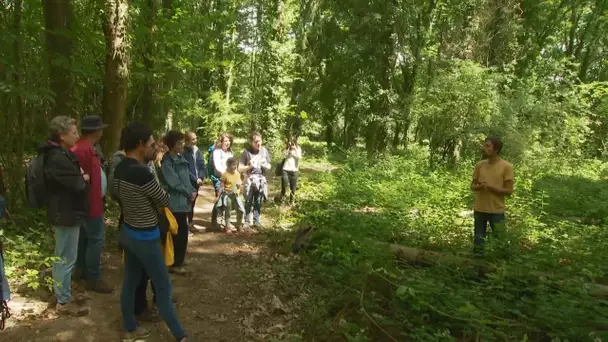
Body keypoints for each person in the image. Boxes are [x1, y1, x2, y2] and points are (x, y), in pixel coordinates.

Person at [113, 123, 189, 342]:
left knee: (130, 282)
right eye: (151, 144)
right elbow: (165, 200)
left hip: (128, 232)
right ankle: (181, 336)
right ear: (139, 145)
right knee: (163, 286)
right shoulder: (143, 173)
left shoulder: (119, 167)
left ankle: (129, 329)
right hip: (145, 236)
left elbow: (115, 195)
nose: (155, 148)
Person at [43, 116, 90, 316]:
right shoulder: (57, 157)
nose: (77, 135)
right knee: (65, 257)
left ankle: (64, 293)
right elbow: (78, 184)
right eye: (73, 132)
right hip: (65, 213)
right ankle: (63, 301)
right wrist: (83, 177)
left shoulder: (60, 154)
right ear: (61, 136)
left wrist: (80, 176)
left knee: (65, 255)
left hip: (67, 211)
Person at [70, 115, 113, 294]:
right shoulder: (81, 149)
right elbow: (76, 179)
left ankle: (81, 272)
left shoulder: (88, 147)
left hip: (93, 202)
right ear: (96, 131)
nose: (102, 131)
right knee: (95, 239)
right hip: (89, 204)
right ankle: (93, 278)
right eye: (100, 128)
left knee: (85, 239)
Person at [470, 136, 514, 255]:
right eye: (484, 145)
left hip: (496, 211)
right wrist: (479, 187)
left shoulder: (506, 167)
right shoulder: (480, 165)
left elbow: (509, 191)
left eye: (488, 146)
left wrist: (491, 188)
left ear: (496, 149)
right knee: (478, 242)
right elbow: (472, 186)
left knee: (500, 242)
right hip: (479, 209)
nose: (484, 148)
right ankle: (477, 267)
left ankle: (501, 267)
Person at [161, 131, 196, 275]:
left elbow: (187, 177)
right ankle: (174, 263)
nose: (183, 145)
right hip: (174, 203)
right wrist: (189, 192)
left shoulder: (181, 157)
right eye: (179, 143)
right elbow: (173, 182)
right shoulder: (167, 161)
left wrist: (193, 190)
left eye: (183, 142)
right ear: (172, 145)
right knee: (177, 233)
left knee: (183, 232)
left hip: (184, 202)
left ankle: (179, 259)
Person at [238, 132, 271, 228]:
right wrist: (249, 166)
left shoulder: (264, 151)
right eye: (256, 141)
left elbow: (269, 165)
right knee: (248, 200)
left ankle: (256, 221)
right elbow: (239, 168)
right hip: (250, 179)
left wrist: (264, 165)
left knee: (258, 201)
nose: (258, 143)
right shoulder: (246, 152)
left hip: (261, 179)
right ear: (251, 142)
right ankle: (247, 221)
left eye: (260, 141)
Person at [210, 133, 234, 230]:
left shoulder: (230, 153)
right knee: (219, 198)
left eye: (229, 141)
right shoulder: (216, 152)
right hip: (219, 179)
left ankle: (225, 221)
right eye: (225, 141)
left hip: (229, 179)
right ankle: (214, 221)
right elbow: (218, 166)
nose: (228, 143)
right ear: (221, 142)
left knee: (227, 200)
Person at [183, 131, 206, 233]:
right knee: (187, 203)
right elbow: (185, 169)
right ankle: (185, 226)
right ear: (187, 140)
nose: (195, 141)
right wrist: (194, 179)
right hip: (188, 181)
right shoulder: (183, 152)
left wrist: (201, 177)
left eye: (196, 138)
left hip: (197, 182)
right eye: (193, 139)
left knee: (192, 203)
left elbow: (201, 164)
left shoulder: (197, 150)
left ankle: (191, 224)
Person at [215, 157, 245, 234]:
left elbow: (240, 184)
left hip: (236, 196)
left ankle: (239, 225)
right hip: (228, 195)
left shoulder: (237, 173)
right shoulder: (225, 174)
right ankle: (227, 227)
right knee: (228, 212)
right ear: (228, 165)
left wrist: (240, 189)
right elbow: (221, 186)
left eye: (236, 165)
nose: (235, 166)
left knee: (240, 210)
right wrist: (218, 196)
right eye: (233, 165)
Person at [279, 137, 302, 205]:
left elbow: (299, 157)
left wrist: (295, 150)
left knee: (293, 187)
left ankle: (291, 201)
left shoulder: (298, 149)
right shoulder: (287, 149)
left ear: (295, 142)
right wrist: (288, 149)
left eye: (292, 142)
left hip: (294, 170)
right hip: (285, 169)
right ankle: (282, 199)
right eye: (290, 142)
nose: (291, 144)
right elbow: (283, 156)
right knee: (284, 185)